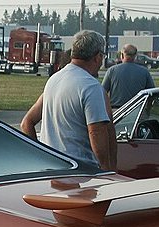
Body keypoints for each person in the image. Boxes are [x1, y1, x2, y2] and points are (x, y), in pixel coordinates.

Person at [20, 30, 116, 171]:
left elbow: (26, 123)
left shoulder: (54, 80)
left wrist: (40, 156)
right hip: (80, 171)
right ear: (97, 57)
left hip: (51, 169)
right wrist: (107, 169)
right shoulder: (90, 86)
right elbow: (96, 132)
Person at [101, 44, 155, 109]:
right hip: (137, 110)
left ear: (122, 55)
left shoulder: (112, 71)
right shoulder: (144, 72)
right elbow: (152, 93)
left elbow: (102, 92)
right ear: (135, 56)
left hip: (116, 110)